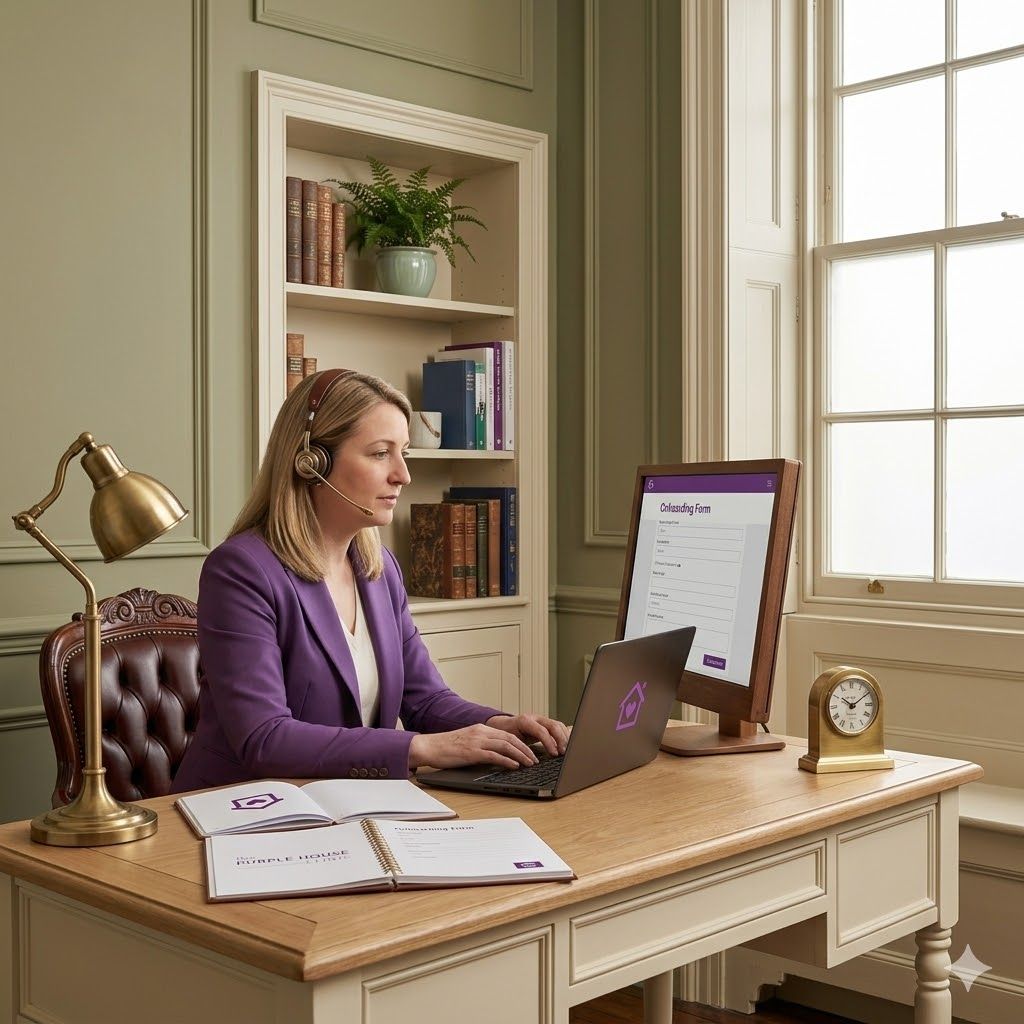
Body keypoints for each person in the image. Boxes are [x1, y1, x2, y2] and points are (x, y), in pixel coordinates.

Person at [171, 368, 567, 792]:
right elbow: (264, 738)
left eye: (404, 453)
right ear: (311, 462)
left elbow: (426, 699)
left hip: (347, 805)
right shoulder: (241, 571)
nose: (403, 475)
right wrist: (419, 749)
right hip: (245, 813)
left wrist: (500, 726)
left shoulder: (379, 569)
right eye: (381, 453)